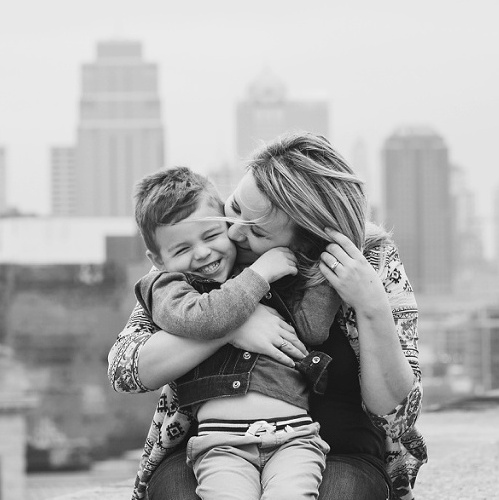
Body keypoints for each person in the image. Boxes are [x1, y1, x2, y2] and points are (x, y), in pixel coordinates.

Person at [108, 131, 427, 500]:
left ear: (303, 243)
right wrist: (231, 324)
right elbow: (124, 368)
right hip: (213, 445)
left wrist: (371, 306)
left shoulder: (373, 262)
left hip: (338, 449)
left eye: (256, 230)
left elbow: (399, 418)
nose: (236, 231)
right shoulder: (204, 256)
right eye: (236, 207)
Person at [131, 165, 333, 499]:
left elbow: (311, 329)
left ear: (228, 225)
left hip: (295, 437)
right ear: (158, 259)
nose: (202, 253)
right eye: (181, 250)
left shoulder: (256, 265)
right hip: (222, 444)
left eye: (211, 236)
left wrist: (320, 261)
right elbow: (201, 320)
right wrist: (259, 275)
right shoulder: (167, 286)